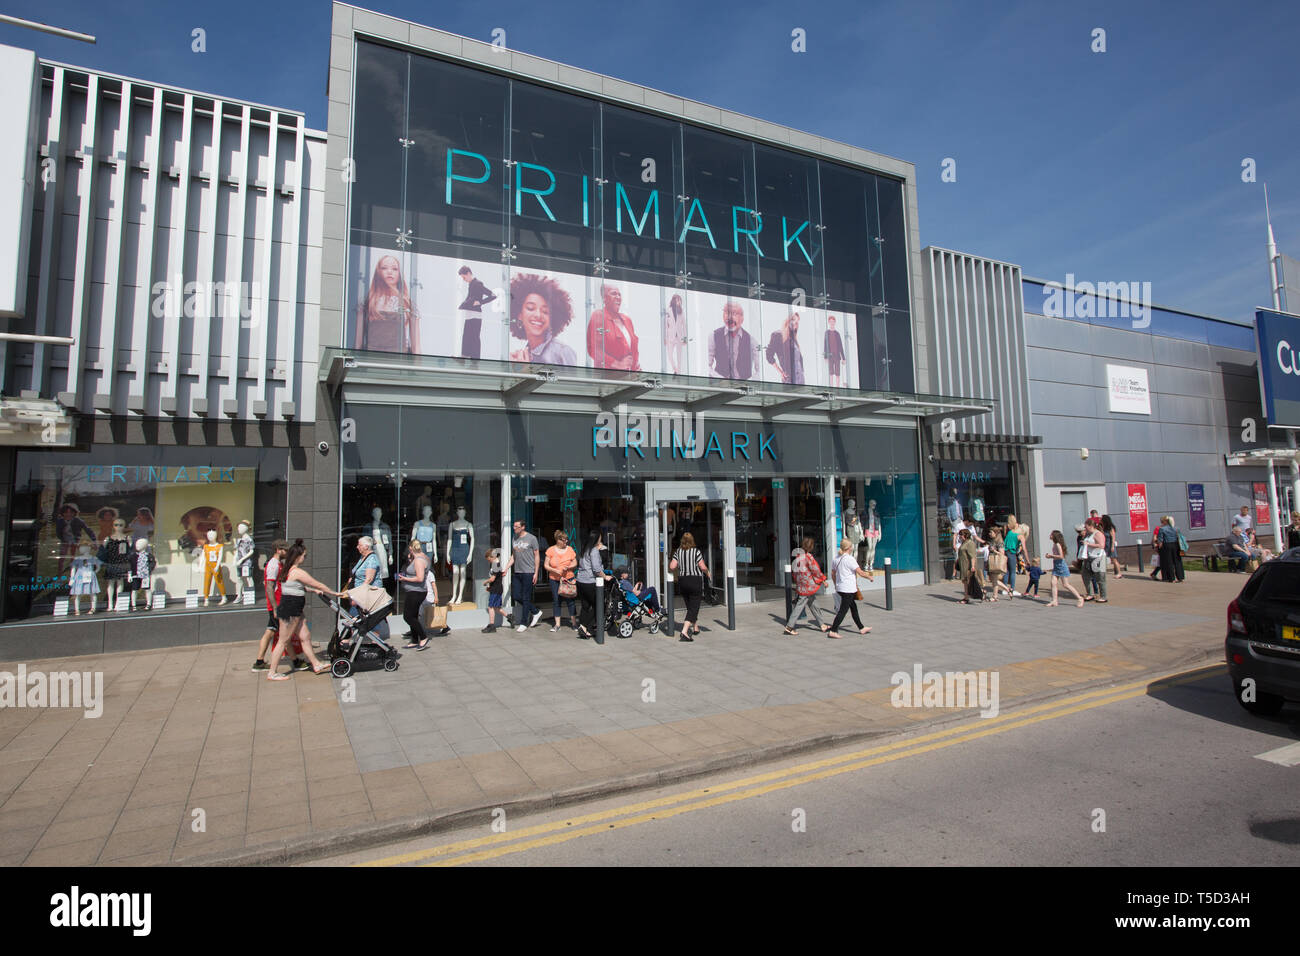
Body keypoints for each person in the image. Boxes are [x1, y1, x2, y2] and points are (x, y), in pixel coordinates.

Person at [266, 541, 339, 680]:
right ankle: (272, 672)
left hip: (295, 609)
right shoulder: (297, 572)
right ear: (298, 556)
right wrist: (335, 594)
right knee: (283, 640)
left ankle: (316, 664)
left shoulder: (288, 569)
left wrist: (313, 591)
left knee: (305, 637)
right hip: (290, 610)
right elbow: (316, 583)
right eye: (304, 555)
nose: (305, 558)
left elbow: (297, 587)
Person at [356, 254, 419, 353]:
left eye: (394, 269)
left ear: (399, 274)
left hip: (398, 360)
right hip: (372, 358)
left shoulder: (406, 303)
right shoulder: (369, 303)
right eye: (384, 268)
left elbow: (416, 347)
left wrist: (416, 367)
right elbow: (357, 344)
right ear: (378, 272)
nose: (390, 272)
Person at [509, 273, 576, 365]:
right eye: (530, 308)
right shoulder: (523, 355)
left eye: (545, 311)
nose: (538, 315)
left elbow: (571, 380)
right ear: (519, 314)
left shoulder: (562, 352)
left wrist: (526, 372)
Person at [252, 539, 289, 671]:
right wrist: (275, 608)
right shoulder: (273, 565)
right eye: (285, 550)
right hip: (276, 605)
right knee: (280, 633)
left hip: (278, 604)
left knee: (273, 631)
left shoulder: (277, 563)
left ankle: (259, 661)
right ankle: (295, 660)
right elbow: (269, 586)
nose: (287, 552)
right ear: (278, 550)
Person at [827, 537, 873, 637]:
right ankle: (833, 630)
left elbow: (833, 574)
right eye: (851, 546)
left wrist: (836, 585)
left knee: (853, 608)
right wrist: (869, 577)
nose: (852, 548)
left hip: (841, 588)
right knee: (843, 611)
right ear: (849, 548)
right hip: (848, 589)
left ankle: (861, 627)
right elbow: (860, 572)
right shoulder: (850, 559)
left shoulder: (836, 558)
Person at [586, 285, 640, 370]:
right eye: (614, 294)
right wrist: (617, 364)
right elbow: (594, 349)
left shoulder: (627, 320)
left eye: (619, 294)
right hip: (608, 377)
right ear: (604, 298)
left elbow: (634, 349)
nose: (618, 297)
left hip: (630, 377)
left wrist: (636, 366)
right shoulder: (599, 315)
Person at [669, 531, 710, 641]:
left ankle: (695, 627)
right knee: (694, 607)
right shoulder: (696, 552)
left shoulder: (678, 552)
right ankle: (685, 631)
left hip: (683, 581)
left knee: (690, 606)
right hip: (694, 580)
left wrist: (681, 567)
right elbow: (702, 566)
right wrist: (708, 573)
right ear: (692, 541)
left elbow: (672, 566)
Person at [783, 538, 829, 634]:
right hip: (808, 585)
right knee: (800, 605)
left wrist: (797, 582)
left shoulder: (798, 557)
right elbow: (815, 570)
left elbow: (795, 571)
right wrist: (823, 580)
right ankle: (789, 626)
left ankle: (822, 624)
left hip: (801, 585)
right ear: (811, 547)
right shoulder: (808, 557)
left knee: (813, 604)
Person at [505, 520, 543, 632]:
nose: (514, 528)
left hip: (528, 571)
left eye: (516, 526)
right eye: (514, 526)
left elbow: (537, 556)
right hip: (517, 571)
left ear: (523, 527)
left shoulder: (532, 538)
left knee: (526, 597)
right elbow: (514, 555)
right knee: (516, 596)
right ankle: (535, 611)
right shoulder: (514, 538)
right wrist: (507, 568)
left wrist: (536, 572)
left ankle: (524, 622)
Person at [575, 532, 612, 640]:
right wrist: (605, 577)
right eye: (600, 538)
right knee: (599, 605)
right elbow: (596, 569)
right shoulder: (594, 550)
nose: (601, 541)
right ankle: (585, 626)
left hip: (581, 581)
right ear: (596, 539)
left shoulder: (584, 549)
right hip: (590, 581)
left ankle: (584, 628)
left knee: (585, 606)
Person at [396, 541, 432, 650]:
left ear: (411, 548)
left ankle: (423, 637)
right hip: (417, 591)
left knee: (408, 616)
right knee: (414, 615)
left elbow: (420, 578)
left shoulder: (418, 560)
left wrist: (404, 578)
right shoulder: (424, 557)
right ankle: (414, 639)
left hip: (416, 591)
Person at [707, 301, 757, 380]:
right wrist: (721, 380)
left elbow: (759, 369)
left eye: (734, 314)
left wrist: (748, 382)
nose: (729, 318)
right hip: (720, 386)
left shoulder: (751, 340)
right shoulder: (713, 336)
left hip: (743, 388)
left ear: (742, 318)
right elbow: (707, 366)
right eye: (727, 313)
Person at [457, 264, 497, 359]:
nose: (463, 280)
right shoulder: (472, 284)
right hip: (470, 315)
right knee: (467, 336)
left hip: (475, 315)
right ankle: (465, 357)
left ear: (468, 273)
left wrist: (480, 302)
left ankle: (474, 361)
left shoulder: (477, 283)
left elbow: (493, 295)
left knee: (474, 338)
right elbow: (470, 298)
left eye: (464, 277)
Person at [545, 530, 577, 631]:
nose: (566, 542)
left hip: (568, 578)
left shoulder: (570, 549)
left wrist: (568, 567)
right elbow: (546, 565)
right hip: (555, 579)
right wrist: (554, 570)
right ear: (558, 540)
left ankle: (574, 623)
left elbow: (575, 562)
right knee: (556, 601)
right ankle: (557, 624)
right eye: (564, 540)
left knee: (570, 600)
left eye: (567, 540)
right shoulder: (550, 550)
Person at [1045, 530, 1085, 608]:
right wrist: (1051, 556)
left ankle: (1080, 598)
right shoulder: (1054, 544)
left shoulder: (1057, 544)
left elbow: (1061, 556)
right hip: (1056, 565)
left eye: (1051, 534)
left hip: (1061, 566)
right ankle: (1054, 600)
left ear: (1054, 536)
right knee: (1053, 583)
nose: (1050, 535)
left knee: (1066, 584)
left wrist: (1051, 556)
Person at [766, 312, 806, 385]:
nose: (795, 323)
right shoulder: (777, 335)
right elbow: (769, 355)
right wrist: (781, 372)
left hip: (800, 378)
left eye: (797, 322)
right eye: (793, 320)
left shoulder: (793, 338)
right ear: (788, 320)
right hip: (789, 378)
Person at [1080, 518, 1109, 603]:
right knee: (1085, 575)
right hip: (1089, 557)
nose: (1085, 528)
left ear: (1090, 526)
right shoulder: (1089, 534)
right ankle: (1090, 594)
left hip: (1098, 557)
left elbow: (1101, 545)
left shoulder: (1098, 534)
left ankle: (1103, 596)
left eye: (1086, 526)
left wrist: (1088, 544)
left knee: (1100, 577)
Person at [1154, 515, 1185, 582]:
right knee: (1177, 561)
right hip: (1176, 545)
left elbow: (1160, 540)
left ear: (1166, 522)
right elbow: (1179, 537)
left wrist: (1158, 547)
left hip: (1166, 546)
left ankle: (1171, 578)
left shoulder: (1162, 529)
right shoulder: (1176, 528)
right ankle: (1180, 577)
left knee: (1169, 562)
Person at [957, 528, 984, 604]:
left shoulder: (970, 543)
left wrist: (972, 566)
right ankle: (969, 596)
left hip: (968, 566)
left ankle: (967, 597)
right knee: (965, 581)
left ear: (966, 535)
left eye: (961, 535)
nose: (960, 536)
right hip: (963, 565)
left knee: (968, 582)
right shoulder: (964, 542)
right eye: (960, 535)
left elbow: (973, 556)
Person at [481, 548, 506, 633]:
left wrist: (486, 582)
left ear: (492, 557)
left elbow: (492, 578)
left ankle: (492, 625)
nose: (489, 561)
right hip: (496, 588)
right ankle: (509, 617)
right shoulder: (496, 564)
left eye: (489, 559)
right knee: (496, 607)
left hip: (496, 589)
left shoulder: (496, 565)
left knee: (491, 607)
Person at [986, 526, 1012, 600]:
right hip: (991, 562)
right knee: (993, 579)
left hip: (996, 562)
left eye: (991, 532)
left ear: (996, 533)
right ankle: (1008, 589)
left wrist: (994, 551)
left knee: (994, 580)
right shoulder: (992, 540)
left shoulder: (999, 542)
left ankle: (995, 596)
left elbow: (1002, 553)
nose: (989, 534)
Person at [664, 293, 686, 375]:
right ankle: (675, 369)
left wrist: (685, 339)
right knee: (670, 355)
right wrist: (665, 338)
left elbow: (684, 325)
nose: (679, 301)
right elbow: (665, 325)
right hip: (670, 337)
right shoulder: (668, 310)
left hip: (679, 337)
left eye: (680, 300)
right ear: (674, 300)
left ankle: (679, 372)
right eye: (677, 300)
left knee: (679, 357)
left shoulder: (681, 311)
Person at [1100, 514, 1124, 578]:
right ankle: (1101, 571)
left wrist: (1112, 546)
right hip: (1105, 545)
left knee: (1114, 560)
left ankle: (1119, 573)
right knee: (1103, 558)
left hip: (1110, 545)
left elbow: (1113, 538)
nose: (1100, 520)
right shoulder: (1103, 527)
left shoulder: (1111, 528)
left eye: (1101, 519)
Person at [825, 315, 845, 387]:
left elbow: (840, 346)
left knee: (837, 373)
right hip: (830, 355)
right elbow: (825, 345)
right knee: (831, 373)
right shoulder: (827, 333)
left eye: (833, 321)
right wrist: (825, 356)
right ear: (828, 322)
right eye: (830, 322)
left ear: (835, 322)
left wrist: (843, 358)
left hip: (837, 355)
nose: (832, 323)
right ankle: (831, 386)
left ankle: (837, 387)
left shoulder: (837, 334)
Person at [1003, 515, 1021, 596]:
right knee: (1013, 572)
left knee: (1007, 571)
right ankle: (1012, 589)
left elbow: (1005, 542)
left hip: (1006, 552)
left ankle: (1005, 588)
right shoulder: (1016, 533)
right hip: (1012, 552)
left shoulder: (1009, 532)